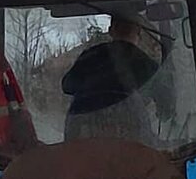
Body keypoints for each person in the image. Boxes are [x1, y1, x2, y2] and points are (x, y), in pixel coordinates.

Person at [61, 15, 162, 144]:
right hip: (133, 143)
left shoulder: (90, 56)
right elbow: (164, 99)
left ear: (111, 31)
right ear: (138, 33)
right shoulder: (146, 63)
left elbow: (67, 86)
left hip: (81, 133)